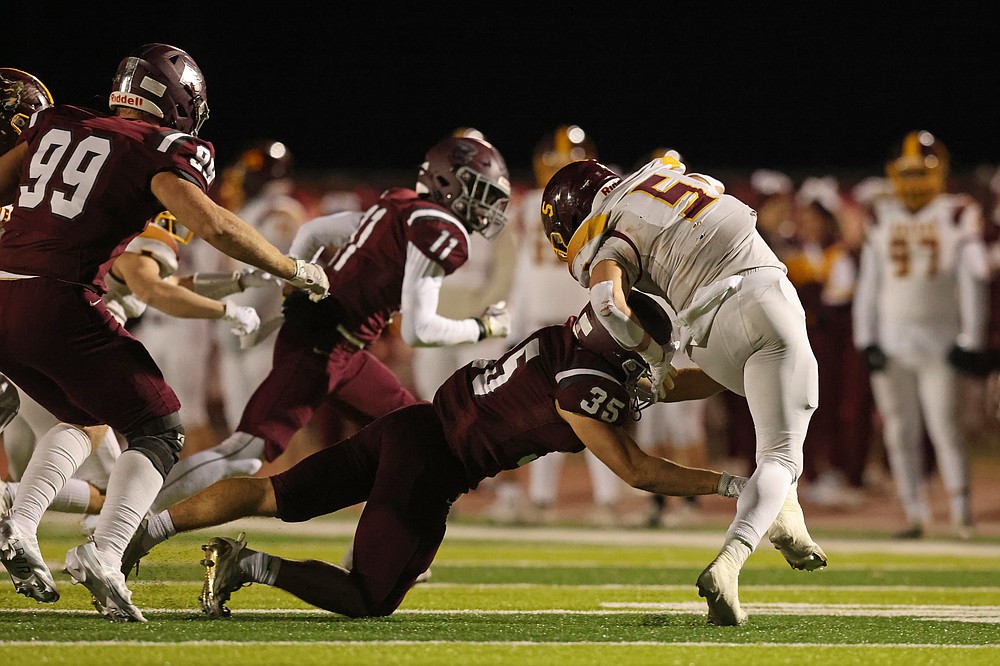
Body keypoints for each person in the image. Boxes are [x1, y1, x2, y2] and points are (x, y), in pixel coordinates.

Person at [121, 291, 751, 620]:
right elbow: (636, 469)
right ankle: (246, 566)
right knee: (368, 598)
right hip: (431, 465)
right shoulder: (584, 386)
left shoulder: (566, 343)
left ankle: (145, 530)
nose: (652, 364)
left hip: (411, 427)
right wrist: (731, 487)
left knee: (273, 493)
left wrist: (742, 375)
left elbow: (660, 381)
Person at [0, 44, 329, 623]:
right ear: (178, 101)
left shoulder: (59, 122)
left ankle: (21, 522)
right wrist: (293, 268)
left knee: (82, 417)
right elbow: (215, 225)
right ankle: (104, 551)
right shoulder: (157, 148)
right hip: (55, 300)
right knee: (160, 428)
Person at [148, 134, 514, 514]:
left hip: (342, 347)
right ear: (447, 182)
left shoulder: (398, 204)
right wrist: (485, 327)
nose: (485, 206)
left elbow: (313, 233)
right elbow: (418, 331)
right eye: (479, 191)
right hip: (322, 345)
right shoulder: (438, 228)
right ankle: (127, 514)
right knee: (244, 451)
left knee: (420, 433)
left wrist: (295, 284)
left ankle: (375, 553)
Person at [540, 154, 828, 626]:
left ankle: (787, 520)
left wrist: (658, 360)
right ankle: (731, 562)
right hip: (760, 292)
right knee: (781, 453)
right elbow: (612, 305)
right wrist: (656, 359)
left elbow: (607, 305)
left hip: (706, 335)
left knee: (751, 395)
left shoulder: (607, 233)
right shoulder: (664, 173)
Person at [1, 211, 271, 524]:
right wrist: (228, 312)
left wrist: (237, 282)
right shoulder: (141, 235)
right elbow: (153, 290)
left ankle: (17, 512)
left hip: (27, 351)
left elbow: (168, 283)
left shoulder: (96, 231)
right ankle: (97, 549)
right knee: (113, 489)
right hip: (72, 355)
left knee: (25, 475)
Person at [852, 131, 990, 539]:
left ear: (939, 173)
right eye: (907, 173)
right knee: (898, 428)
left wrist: (971, 339)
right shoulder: (881, 214)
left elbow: (973, 279)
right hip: (892, 340)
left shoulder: (957, 211)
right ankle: (915, 513)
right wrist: (866, 339)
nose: (913, 182)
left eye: (921, 173)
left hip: (941, 338)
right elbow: (869, 284)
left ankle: (962, 512)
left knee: (946, 426)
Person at [494, 124, 626, 526]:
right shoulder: (588, 201)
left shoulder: (530, 203)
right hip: (567, 319)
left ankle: (596, 501)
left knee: (584, 409)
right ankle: (553, 499)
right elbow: (521, 271)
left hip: (577, 320)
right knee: (566, 411)